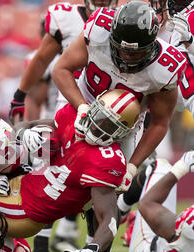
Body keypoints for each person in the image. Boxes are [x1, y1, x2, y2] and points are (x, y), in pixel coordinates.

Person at [0, 88, 142, 252]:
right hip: (20, 181)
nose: (97, 126)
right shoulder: (73, 115)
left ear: (122, 132)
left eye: (107, 124)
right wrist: (23, 133)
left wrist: (95, 247)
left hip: (25, 211)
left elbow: (108, 217)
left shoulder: (107, 160)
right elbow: (25, 126)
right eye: (98, 116)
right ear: (92, 107)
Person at [9, 0, 119, 252]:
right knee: (49, 174)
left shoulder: (124, 21)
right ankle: (42, 250)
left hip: (112, 114)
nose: (104, 2)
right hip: (70, 110)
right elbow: (44, 60)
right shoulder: (66, 18)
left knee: (103, 187)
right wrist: (20, 95)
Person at [52, 1, 186, 194]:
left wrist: (132, 167)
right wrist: (81, 106)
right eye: (122, 49)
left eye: (136, 52)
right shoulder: (99, 30)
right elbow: (61, 69)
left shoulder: (165, 69)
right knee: (54, 160)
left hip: (124, 127)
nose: (127, 57)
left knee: (109, 187)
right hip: (81, 99)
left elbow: (159, 122)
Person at [130, 151, 194, 252]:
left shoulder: (191, 226)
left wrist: (181, 167)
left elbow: (147, 205)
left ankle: (121, 208)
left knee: (161, 167)